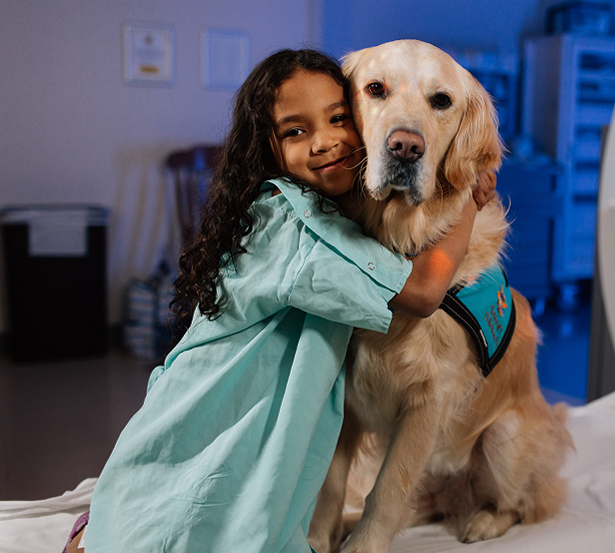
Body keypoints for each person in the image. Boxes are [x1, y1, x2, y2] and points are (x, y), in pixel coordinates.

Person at [65, 49, 496, 553]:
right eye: (296, 131)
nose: (326, 140)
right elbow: (423, 292)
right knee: (166, 523)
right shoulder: (293, 228)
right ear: (268, 147)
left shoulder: (325, 214)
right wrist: (469, 198)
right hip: (209, 421)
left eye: (337, 118)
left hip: (237, 420)